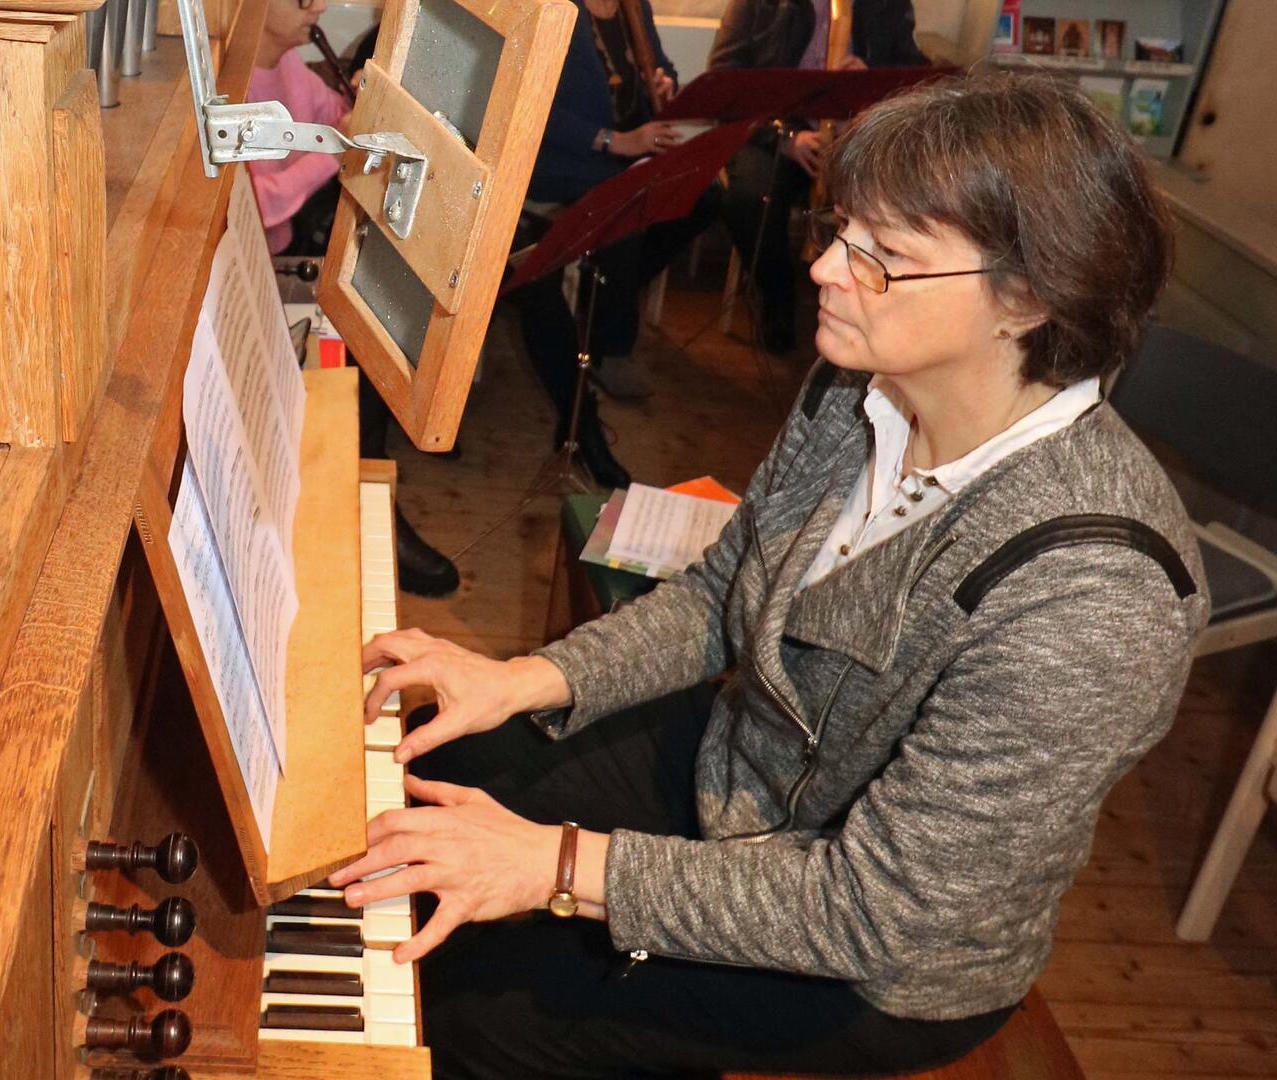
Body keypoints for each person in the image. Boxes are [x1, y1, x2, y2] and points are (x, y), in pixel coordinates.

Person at [330, 74, 1208, 1077]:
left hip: (874, 962)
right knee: (425, 783)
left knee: (483, 1022)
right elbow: (722, 595)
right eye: (842, 230)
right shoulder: (859, 383)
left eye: (884, 257)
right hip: (743, 771)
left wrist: (557, 868)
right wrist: (524, 679)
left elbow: (874, 911)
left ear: (1028, 300)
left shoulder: (1097, 598)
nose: (827, 267)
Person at [246, 0, 462, 597]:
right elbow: (255, 202)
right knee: (362, 351)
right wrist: (334, 150)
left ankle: (364, 496)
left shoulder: (291, 66)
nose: (316, 5)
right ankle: (355, 507)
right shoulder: (223, 78)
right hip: (247, 276)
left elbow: (338, 122)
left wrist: (367, 108)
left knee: (382, 317)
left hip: (286, 268)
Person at [512, 0, 723, 489]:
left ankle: (607, 301)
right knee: (624, 216)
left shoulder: (634, 6)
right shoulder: (551, 8)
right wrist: (616, 141)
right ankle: (606, 340)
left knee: (704, 196)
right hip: (560, 162)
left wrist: (664, 81)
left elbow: (661, 65)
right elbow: (532, 105)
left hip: (626, 154)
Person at [709, 0, 926, 354]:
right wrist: (784, 138)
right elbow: (724, 79)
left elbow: (913, 75)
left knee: (901, 203)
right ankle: (777, 298)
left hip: (856, 137)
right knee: (748, 199)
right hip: (777, 135)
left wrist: (868, 87)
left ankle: (874, 319)